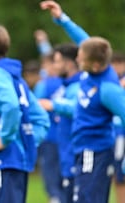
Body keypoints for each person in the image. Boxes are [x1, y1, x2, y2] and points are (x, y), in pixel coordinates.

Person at [41, 1, 125, 202]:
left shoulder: (108, 90)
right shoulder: (91, 71)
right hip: (82, 151)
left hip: (95, 153)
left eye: (81, 58)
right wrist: (62, 18)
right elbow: (83, 39)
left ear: (95, 65)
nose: (77, 61)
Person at [0, 24, 50, 203]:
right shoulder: (16, 78)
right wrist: (23, 141)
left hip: (3, 161)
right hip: (15, 161)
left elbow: (11, 106)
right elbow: (42, 120)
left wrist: (5, 139)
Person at [38, 43, 81, 203]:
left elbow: (78, 108)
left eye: (56, 61)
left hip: (75, 154)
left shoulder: (78, 87)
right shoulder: (66, 86)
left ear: (68, 64)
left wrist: (53, 105)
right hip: (65, 152)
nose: (53, 66)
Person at [110, 51, 125, 203]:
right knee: (117, 173)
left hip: (122, 133)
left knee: (121, 173)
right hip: (114, 133)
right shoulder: (111, 82)